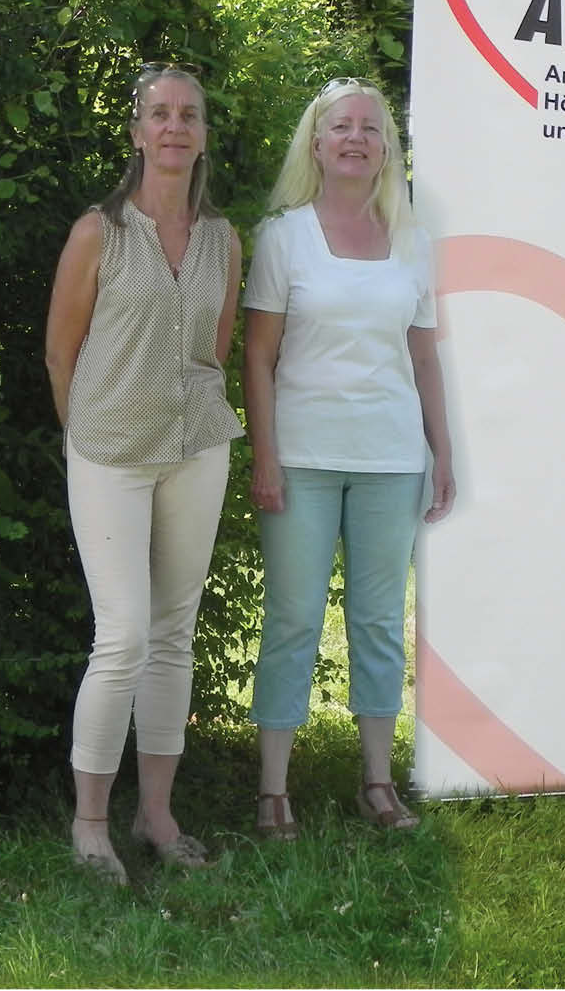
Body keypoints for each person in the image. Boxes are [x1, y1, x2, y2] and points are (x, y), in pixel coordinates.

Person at [44, 63, 245, 885]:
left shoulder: (224, 239)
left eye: (188, 115)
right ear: (135, 132)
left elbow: (216, 349)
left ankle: (156, 814)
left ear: (202, 135)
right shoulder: (101, 231)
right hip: (108, 452)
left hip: (197, 444)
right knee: (122, 634)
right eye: (159, 114)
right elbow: (62, 351)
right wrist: (86, 439)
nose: (173, 127)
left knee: (172, 635)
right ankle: (90, 822)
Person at [244, 77, 454, 839]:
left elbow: (423, 358)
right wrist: (265, 459)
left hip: (391, 459)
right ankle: (273, 790)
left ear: (386, 147)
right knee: (294, 618)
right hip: (301, 457)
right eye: (342, 127)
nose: (357, 138)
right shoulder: (283, 235)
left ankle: (377, 780)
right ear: (317, 142)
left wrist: (443, 449)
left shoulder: (411, 240)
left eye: (371, 127)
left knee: (377, 622)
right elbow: (258, 358)